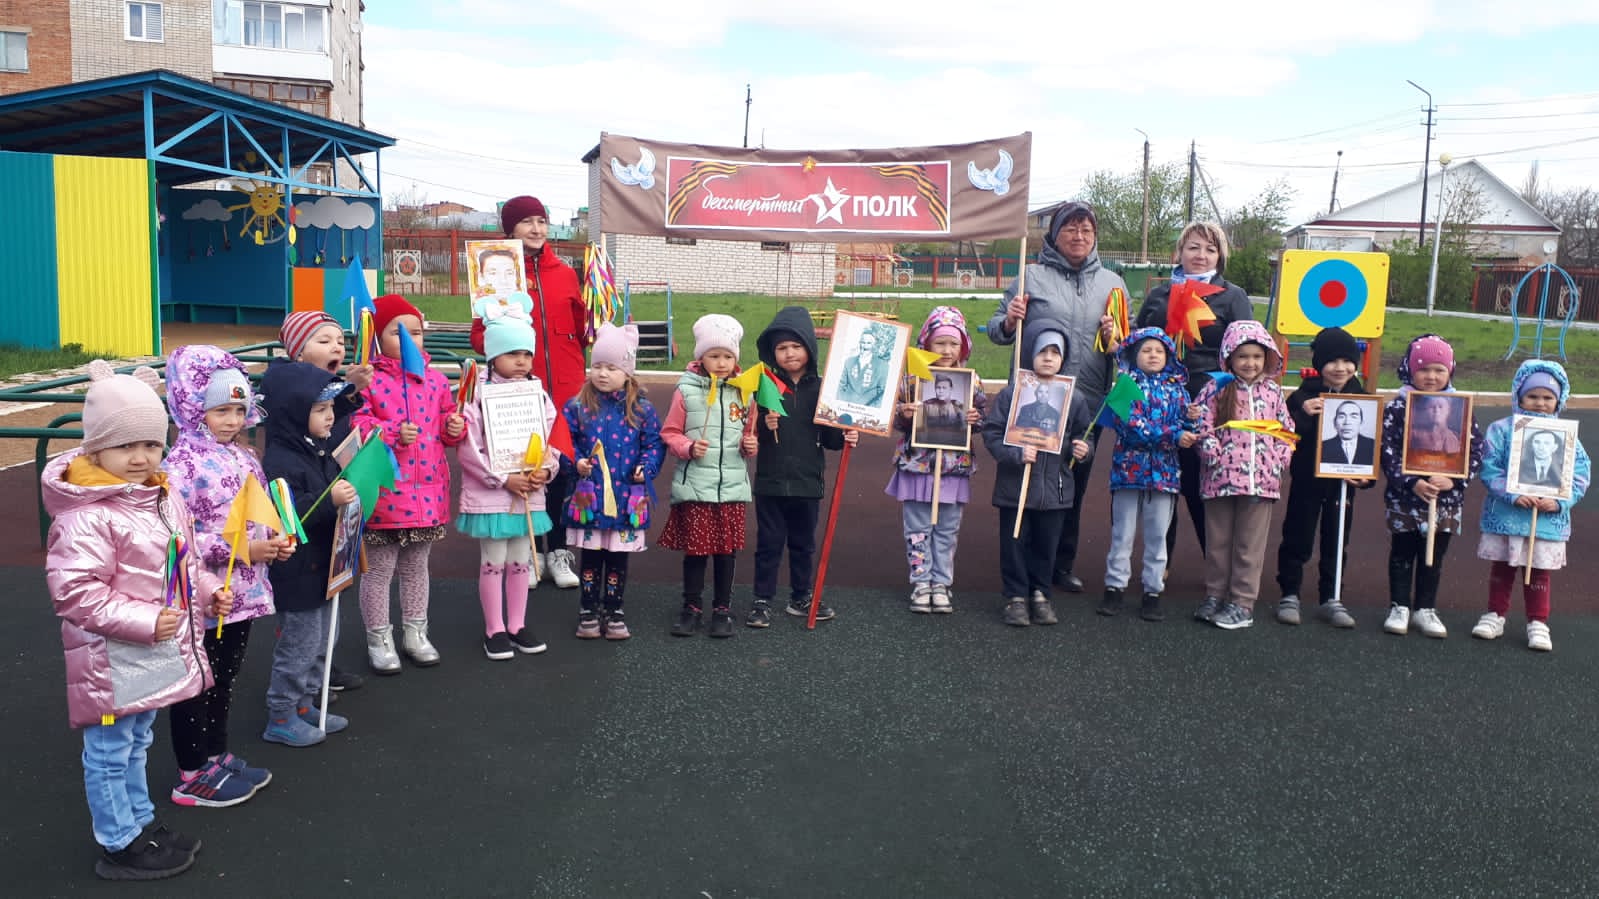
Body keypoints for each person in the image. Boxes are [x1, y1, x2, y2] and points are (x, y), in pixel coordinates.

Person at [43, 361, 231, 881]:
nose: (141, 457)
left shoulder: (160, 496)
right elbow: (74, 592)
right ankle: (119, 841)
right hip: (110, 662)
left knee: (137, 741)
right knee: (109, 751)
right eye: (125, 445)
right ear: (94, 448)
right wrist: (147, 620)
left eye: (150, 444)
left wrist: (208, 592)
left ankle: (140, 821)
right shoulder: (86, 515)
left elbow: (183, 564)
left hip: (149, 657)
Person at [161, 346, 279, 806]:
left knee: (225, 678)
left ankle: (215, 754)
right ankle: (192, 772)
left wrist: (274, 539)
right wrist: (243, 549)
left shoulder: (244, 457)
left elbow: (260, 512)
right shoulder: (181, 466)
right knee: (197, 682)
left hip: (242, 591)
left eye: (238, 410)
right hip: (202, 597)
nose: (232, 420)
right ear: (194, 407)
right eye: (220, 411)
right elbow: (178, 536)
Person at [988, 201, 1121, 593]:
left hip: (1086, 400)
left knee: (1071, 485)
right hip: (1034, 398)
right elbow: (996, 330)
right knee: (1026, 480)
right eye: (1070, 229)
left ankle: (1060, 564)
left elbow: (1127, 344)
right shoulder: (1030, 276)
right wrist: (1010, 319)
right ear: (1054, 234)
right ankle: (1021, 568)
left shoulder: (1112, 283)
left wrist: (1116, 339)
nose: (1079, 236)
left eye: (1086, 230)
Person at [470, 196, 590, 590]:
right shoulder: (496, 274)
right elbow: (479, 338)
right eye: (527, 222)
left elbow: (581, 330)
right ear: (510, 230)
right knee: (525, 467)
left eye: (542, 220)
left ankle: (558, 551)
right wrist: (499, 331)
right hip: (519, 392)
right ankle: (531, 548)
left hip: (566, 388)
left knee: (561, 469)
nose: (537, 229)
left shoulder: (566, 273)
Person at [352, 294, 467, 672]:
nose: (408, 339)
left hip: (428, 492)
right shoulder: (368, 379)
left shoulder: (435, 380)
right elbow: (357, 424)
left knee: (417, 567)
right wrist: (390, 433)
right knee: (379, 571)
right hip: (385, 492)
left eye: (415, 332)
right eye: (396, 332)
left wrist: (454, 427)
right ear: (376, 337)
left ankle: (416, 632)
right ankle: (378, 637)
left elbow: (446, 422)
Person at [1134, 222, 1256, 568]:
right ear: (1179, 252)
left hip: (1210, 404)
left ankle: (1217, 569)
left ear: (1220, 256)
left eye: (1210, 249)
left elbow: (1247, 350)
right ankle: (1160, 566)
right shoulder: (1159, 296)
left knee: (1206, 489)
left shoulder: (1232, 297)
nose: (1201, 255)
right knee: (1163, 487)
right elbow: (1139, 344)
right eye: (1193, 247)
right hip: (1161, 406)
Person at [259, 362, 359, 747]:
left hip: (323, 565)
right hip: (297, 571)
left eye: (331, 408)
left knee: (322, 642)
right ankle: (281, 714)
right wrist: (330, 500)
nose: (330, 416)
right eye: (320, 409)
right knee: (299, 647)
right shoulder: (280, 460)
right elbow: (288, 514)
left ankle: (305, 703)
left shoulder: (317, 448)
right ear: (295, 413)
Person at [456, 300, 560, 659]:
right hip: (494, 495)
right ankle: (494, 629)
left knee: (521, 560)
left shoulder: (537, 394)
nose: (522, 361)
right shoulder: (477, 393)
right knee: (493, 560)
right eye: (512, 353)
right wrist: (502, 478)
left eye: (527, 354)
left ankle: (517, 624)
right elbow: (470, 447)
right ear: (493, 355)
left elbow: (548, 439)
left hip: (528, 492)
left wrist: (547, 469)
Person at [748, 306, 859, 627]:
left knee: (803, 545)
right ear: (772, 353)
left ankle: (801, 596)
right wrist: (764, 426)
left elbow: (832, 440)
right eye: (782, 348)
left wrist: (847, 434)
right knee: (768, 545)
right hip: (770, 481)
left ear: (809, 347)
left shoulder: (823, 389)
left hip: (808, 481)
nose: (789, 353)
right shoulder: (764, 386)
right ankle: (762, 599)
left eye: (796, 346)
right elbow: (750, 434)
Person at [276, 311, 368, 692]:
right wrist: (330, 498)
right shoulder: (288, 406)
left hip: (327, 531)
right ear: (298, 352)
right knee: (302, 631)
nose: (337, 347)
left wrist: (348, 392)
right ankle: (294, 699)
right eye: (324, 340)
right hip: (304, 548)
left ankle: (319, 677)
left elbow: (327, 420)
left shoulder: (325, 403)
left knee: (325, 619)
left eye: (340, 341)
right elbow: (293, 509)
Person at [1471, 361, 1590, 651]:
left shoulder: (1566, 436)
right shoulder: (1502, 430)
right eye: (1532, 396)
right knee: (1502, 567)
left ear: (1559, 400)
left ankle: (1538, 621)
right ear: (1519, 396)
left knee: (1538, 572)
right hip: (1507, 516)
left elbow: (1580, 474)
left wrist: (1560, 502)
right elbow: (1489, 465)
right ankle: (1495, 614)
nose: (1540, 403)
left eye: (1548, 397)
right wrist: (1510, 494)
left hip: (1546, 520)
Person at [983, 326, 1092, 627]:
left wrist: (1083, 449)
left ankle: (1041, 594)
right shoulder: (1012, 394)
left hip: (1054, 489)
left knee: (1046, 545)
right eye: (1042, 351)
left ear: (1063, 359)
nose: (1048, 357)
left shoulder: (1074, 399)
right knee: (1014, 542)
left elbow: (1084, 434)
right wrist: (1015, 454)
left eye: (1055, 352)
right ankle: (1016, 597)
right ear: (1031, 354)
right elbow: (992, 433)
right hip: (1016, 486)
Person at [563, 323, 666, 640]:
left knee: (618, 558)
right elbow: (566, 442)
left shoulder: (642, 409)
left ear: (627, 372)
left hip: (625, 500)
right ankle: (588, 610)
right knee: (591, 557)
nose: (603, 373)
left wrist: (646, 468)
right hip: (590, 497)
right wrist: (576, 462)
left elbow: (653, 444)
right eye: (597, 366)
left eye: (611, 367)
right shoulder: (577, 406)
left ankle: (614, 609)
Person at [1192, 320, 1295, 630]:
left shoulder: (1273, 392)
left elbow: (1286, 431)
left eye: (1257, 356)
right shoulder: (1215, 388)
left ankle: (1242, 602)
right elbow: (1201, 423)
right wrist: (1211, 452)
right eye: (1243, 356)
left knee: (1249, 545)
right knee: (1218, 542)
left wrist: (1279, 460)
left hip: (1260, 482)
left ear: (1267, 358)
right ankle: (1215, 594)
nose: (1250, 363)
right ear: (1229, 357)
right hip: (1220, 478)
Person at [659, 314, 757, 637]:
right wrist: (688, 447)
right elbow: (670, 433)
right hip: (696, 486)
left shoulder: (745, 392)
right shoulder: (685, 391)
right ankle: (691, 606)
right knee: (696, 551)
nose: (721, 363)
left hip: (731, 487)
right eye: (714, 355)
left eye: (728, 356)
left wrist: (750, 444)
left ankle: (722, 609)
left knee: (726, 553)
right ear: (701, 357)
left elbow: (749, 434)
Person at [1380, 334, 1484, 639]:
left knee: (1434, 556)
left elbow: (1475, 450)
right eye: (1423, 369)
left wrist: (1455, 480)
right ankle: (1399, 606)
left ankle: (1426, 608)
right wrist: (1411, 482)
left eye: (1439, 370)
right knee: (1402, 552)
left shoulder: (1460, 408)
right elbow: (1387, 449)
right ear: (1410, 370)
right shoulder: (1398, 407)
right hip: (1405, 499)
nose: (1431, 376)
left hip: (1445, 501)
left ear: (1450, 371)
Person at [887, 306, 988, 613]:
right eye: (940, 342)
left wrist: (976, 419)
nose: (946, 350)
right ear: (927, 343)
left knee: (946, 529)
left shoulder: (971, 381)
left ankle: (941, 583)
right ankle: (921, 582)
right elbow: (893, 417)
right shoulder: (912, 380)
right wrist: (904, 414)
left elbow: (983, 417)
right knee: (918, 528)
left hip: (953, 469)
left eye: (953, 343)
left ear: (963, 346)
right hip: (917, 468)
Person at [1276, 327, 1375, 628]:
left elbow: (1370, 447)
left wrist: (1365, 478)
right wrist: (1303, 415)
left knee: (1337, 539)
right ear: (1319, 363)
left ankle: (1331, 597)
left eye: (1348, 361)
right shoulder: (1302, 397)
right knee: (1297, 536)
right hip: (1307, 481)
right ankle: (1289, 593)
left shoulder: (1363, 400)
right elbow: (1286, 436)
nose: (1340, 368)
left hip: (1342, 486)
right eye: (1332, 361)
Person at [1099, 328, 1193, 622]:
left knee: (1158, 536)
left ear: (1169, 356)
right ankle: (1115, 586)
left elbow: (1185, 424)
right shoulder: (1125, 386)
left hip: (1164, 476)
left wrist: (1193, 422)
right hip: (1128, 472)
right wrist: (1173, 436)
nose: (1153, 355)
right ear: (1134, 354)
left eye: (1159, 350)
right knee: (1122, 534)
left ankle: (1153, 590)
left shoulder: (1178, 390)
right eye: (1146, 350)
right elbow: (1130, 427)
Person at [836, 321, 892, 406]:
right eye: (863, 342)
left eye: (868, 343)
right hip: (844, 406)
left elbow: (882, 394)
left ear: (874, 345)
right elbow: (840, 386)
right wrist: (839, 405)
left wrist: (872, 411)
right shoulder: (849, 361)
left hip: (868, 409)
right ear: (859, 343)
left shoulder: (883, 366)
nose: (865, 346)